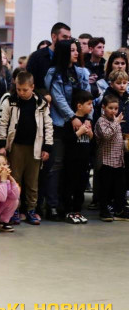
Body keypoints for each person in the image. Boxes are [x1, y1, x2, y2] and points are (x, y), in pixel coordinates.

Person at [0, 71, 53, 226]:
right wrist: (2, 144)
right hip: (16, 147)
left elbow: (48, 125)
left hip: (35, 147)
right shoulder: (10, 102)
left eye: (25, 90)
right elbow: (3, 123)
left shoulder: (41, 103)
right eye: (18, 89)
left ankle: (31, 209)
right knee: (14, 179)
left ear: (32, 87)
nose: (21, 93)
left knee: (32, 181)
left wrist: (47, 146)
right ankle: (14, 209)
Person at [44, 38, 90, 221]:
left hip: (81, 124)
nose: (77, 53)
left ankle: (71, 206)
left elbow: (87, 97)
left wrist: (87, 119)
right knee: (57, 165)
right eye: (72, 50)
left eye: (77, 49)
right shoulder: (53, 73)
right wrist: (72, 117)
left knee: (75, 166)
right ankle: (53, 205)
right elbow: (58, 98)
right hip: (61, 124)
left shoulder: (81, 72)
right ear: (64, 53)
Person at [60, 90, 93, 224]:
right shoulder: (70, 122)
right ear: (79, 106)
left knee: (81, 187)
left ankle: (77, 210)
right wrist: (79, 132)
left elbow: (92, 140)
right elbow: (66, 140)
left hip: (84, 161)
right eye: (89, 104)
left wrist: (90, 133)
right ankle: (68, 211)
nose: (91, 107)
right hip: (71, 161)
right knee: (69, 186)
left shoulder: (88, 121)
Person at [94, 94, 128, 221]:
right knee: (105, 187)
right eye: (110, 108)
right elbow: (106, 135)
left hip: (118, 160)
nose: (114, 111)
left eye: (116, 108)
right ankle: (103, 210)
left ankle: (119, 209)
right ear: (103, 107)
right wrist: (116, 123)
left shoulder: (115, 121)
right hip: (106, 160)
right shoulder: (101, 121)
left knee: (119, 187)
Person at [27, 22, 72, 96]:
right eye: (64, 37)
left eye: (69, 38)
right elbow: (30, 82)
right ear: (54, 37)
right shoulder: (37, 57)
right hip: (43, 98)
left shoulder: (70, 56)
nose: (68, 41)